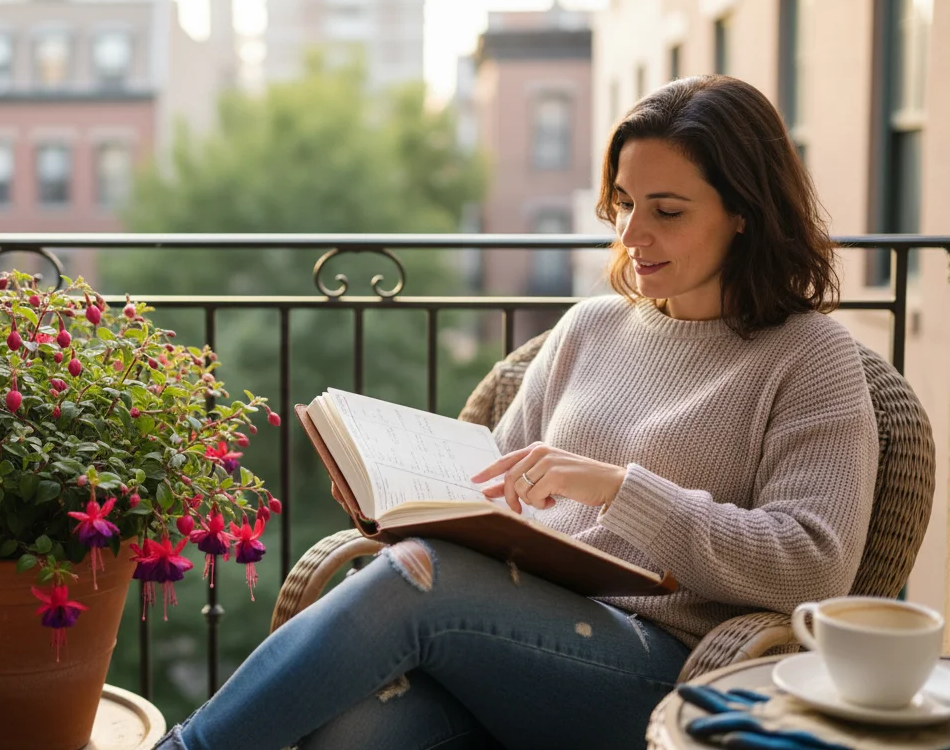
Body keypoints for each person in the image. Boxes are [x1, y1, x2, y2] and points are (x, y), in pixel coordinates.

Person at [151, 74, 879, 750]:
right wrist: (394, 505)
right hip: (507, 638)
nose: (630, 236)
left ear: (745, 214)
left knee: (416, 576)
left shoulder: (811, 358)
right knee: (346, 733)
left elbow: (812, 565)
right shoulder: (591, 328)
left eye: (667, 211)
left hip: (665, 670)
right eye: (624, 203)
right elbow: (493, 491)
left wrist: (618, 489)